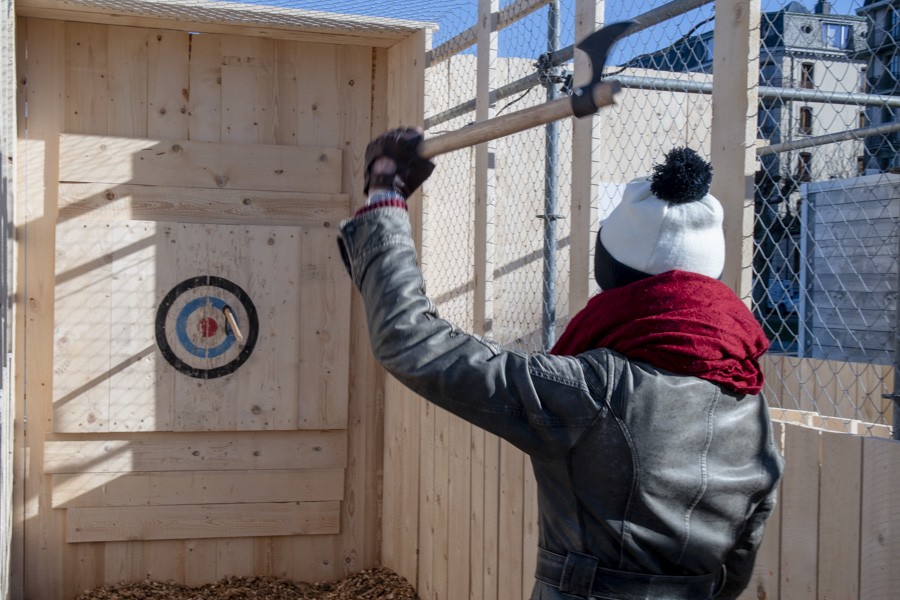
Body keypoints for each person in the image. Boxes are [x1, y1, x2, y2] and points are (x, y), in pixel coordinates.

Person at [337, 128, 784, 600]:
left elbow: (411, 341)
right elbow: (739, 558)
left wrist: (385, 190)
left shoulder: (593, 392)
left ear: (612, 271)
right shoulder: (747, 396)